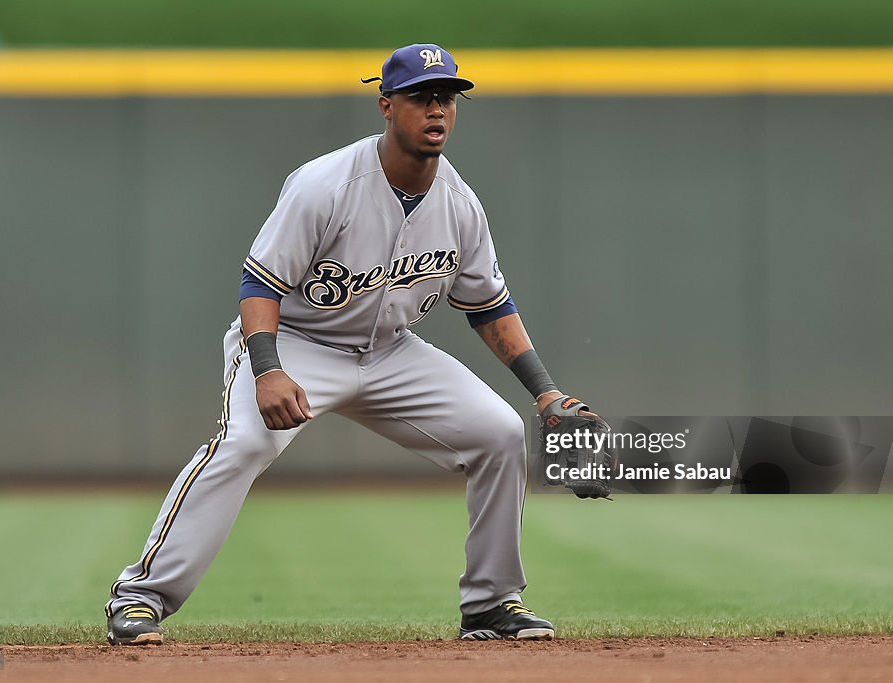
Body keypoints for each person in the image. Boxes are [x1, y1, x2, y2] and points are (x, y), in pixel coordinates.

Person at [105, 43, 589, 645]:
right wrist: (266, 368)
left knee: (500, 433)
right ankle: (140, 598)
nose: (436, 109)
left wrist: (546, 396)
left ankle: (492, 606)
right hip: (297, 343)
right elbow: (259, 284)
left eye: (446, 98)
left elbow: (490, 307)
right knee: (243, 444)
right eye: (420, 98)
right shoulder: (325, 185)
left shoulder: (460, 205)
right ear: (387, 106)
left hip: (388, 351)